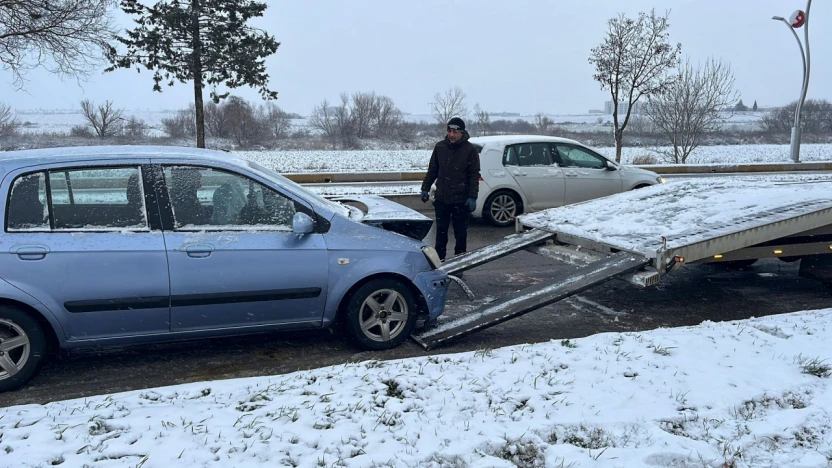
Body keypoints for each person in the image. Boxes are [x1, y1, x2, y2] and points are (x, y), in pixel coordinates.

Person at [420, 117, 481, 262]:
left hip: (461, 200)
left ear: (462, 133)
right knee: (441, 234)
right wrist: (425, 188)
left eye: (455, 132)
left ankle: (460, 263)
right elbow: (432, 170)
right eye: (449, 131)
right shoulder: (440, 147)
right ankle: (439, 263)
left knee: (460, 235)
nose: (451, 135)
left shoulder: (469, 150)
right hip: (442, 198)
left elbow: (474, 175)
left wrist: (473, 196)